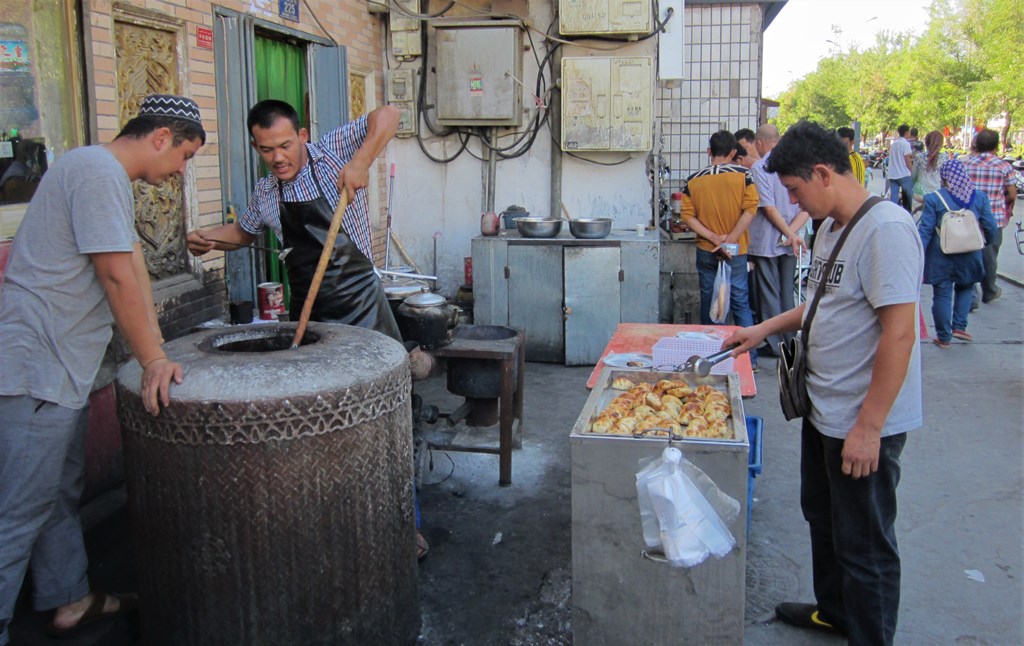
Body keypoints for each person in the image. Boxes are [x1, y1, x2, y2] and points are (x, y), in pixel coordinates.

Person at [185, 99, 431, 559]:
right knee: (324, 420)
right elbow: (245, 233)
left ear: (300, 136)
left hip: (362, 310)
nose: (277, 157)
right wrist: (207, 238)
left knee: (387, 419)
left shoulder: (332, 151)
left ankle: (405, 523)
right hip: (310, 317)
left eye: (283, 145)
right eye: (265, 149)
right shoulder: (266, 193)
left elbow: (392, 113)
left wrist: (359, 165)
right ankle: (330, 523)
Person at [0, 94, 205, 644]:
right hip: (36, 364)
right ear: (161, 137)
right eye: (185, 156)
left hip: (60, 363)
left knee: (55, 490)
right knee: (17, 509)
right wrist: (153, 360)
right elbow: (116, 278)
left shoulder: (103, 177)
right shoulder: (95, 170)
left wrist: (159, 350)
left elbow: (133, 264)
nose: (181, 171)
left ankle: (69, 598)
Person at [724, 121, 923, 645]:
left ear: (822, 173)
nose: (791, 201)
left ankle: (870, 635)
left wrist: (869, 428)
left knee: (865, 542)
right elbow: (816, 307)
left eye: (794, 190)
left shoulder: (886, 230)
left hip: (862, 419)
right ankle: (835, 611)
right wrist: (761, 329)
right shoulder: (832, 227)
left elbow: (900, 335)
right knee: (823, 516)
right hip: (825, 409)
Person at [680, 130, 759, 366]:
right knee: (739, 301)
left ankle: (712, 355)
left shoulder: (693, 180)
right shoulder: (744, 176)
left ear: (709, 152)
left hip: (707, 248)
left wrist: (714, 238)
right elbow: (750, 210)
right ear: (734, 152)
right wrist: (730, 239)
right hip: (736, 249)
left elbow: (687, 217)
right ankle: (749, 360)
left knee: (709, 300)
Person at [917, 159, 997, 347]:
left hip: (940, 254)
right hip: (970, 252)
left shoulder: (934, 198)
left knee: (942, 293)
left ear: (944, 177)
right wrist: (987, 243)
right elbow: (990, 226)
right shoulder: (979, 197)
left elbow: (926, 230)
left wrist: (918, 252)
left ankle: (944, 337)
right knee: (966, 286)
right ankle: (960, 326)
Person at [748, 124, 809, 356]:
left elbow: (769, 208)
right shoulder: (796, 163)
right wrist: (792, 233)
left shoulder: (760, 167)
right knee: (787, 292)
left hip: (767, 241)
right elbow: (806, 207)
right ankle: (790, 341)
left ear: (759, 143)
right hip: (791, 240)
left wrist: (787, 233)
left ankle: (775, 345)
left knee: (769, 294)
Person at [963, 128, 1017, 304]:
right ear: (996, 146)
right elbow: (1011, 194)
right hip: (994, 218)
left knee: (969, 255)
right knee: (990, 256)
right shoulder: (1003, 166)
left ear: (976, 144)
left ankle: (970, 296)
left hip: (968, 218)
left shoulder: (966, 164)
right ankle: (989, 290)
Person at [910, 130, 947, 214]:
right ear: (941, 145)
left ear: (926, 143)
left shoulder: (919, 157)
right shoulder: (945, 158)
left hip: (919, 198)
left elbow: (912, 178)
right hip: (938, 197)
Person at [888, 124, 914, 212]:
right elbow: (907, 160)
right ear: (906, 133)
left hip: (892, 174)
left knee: (894, 198)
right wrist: (913, 171)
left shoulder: (894, 144)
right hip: (904, 174)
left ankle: (893, 214)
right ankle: (913, 214)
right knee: (911, 197)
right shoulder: (905, 144)